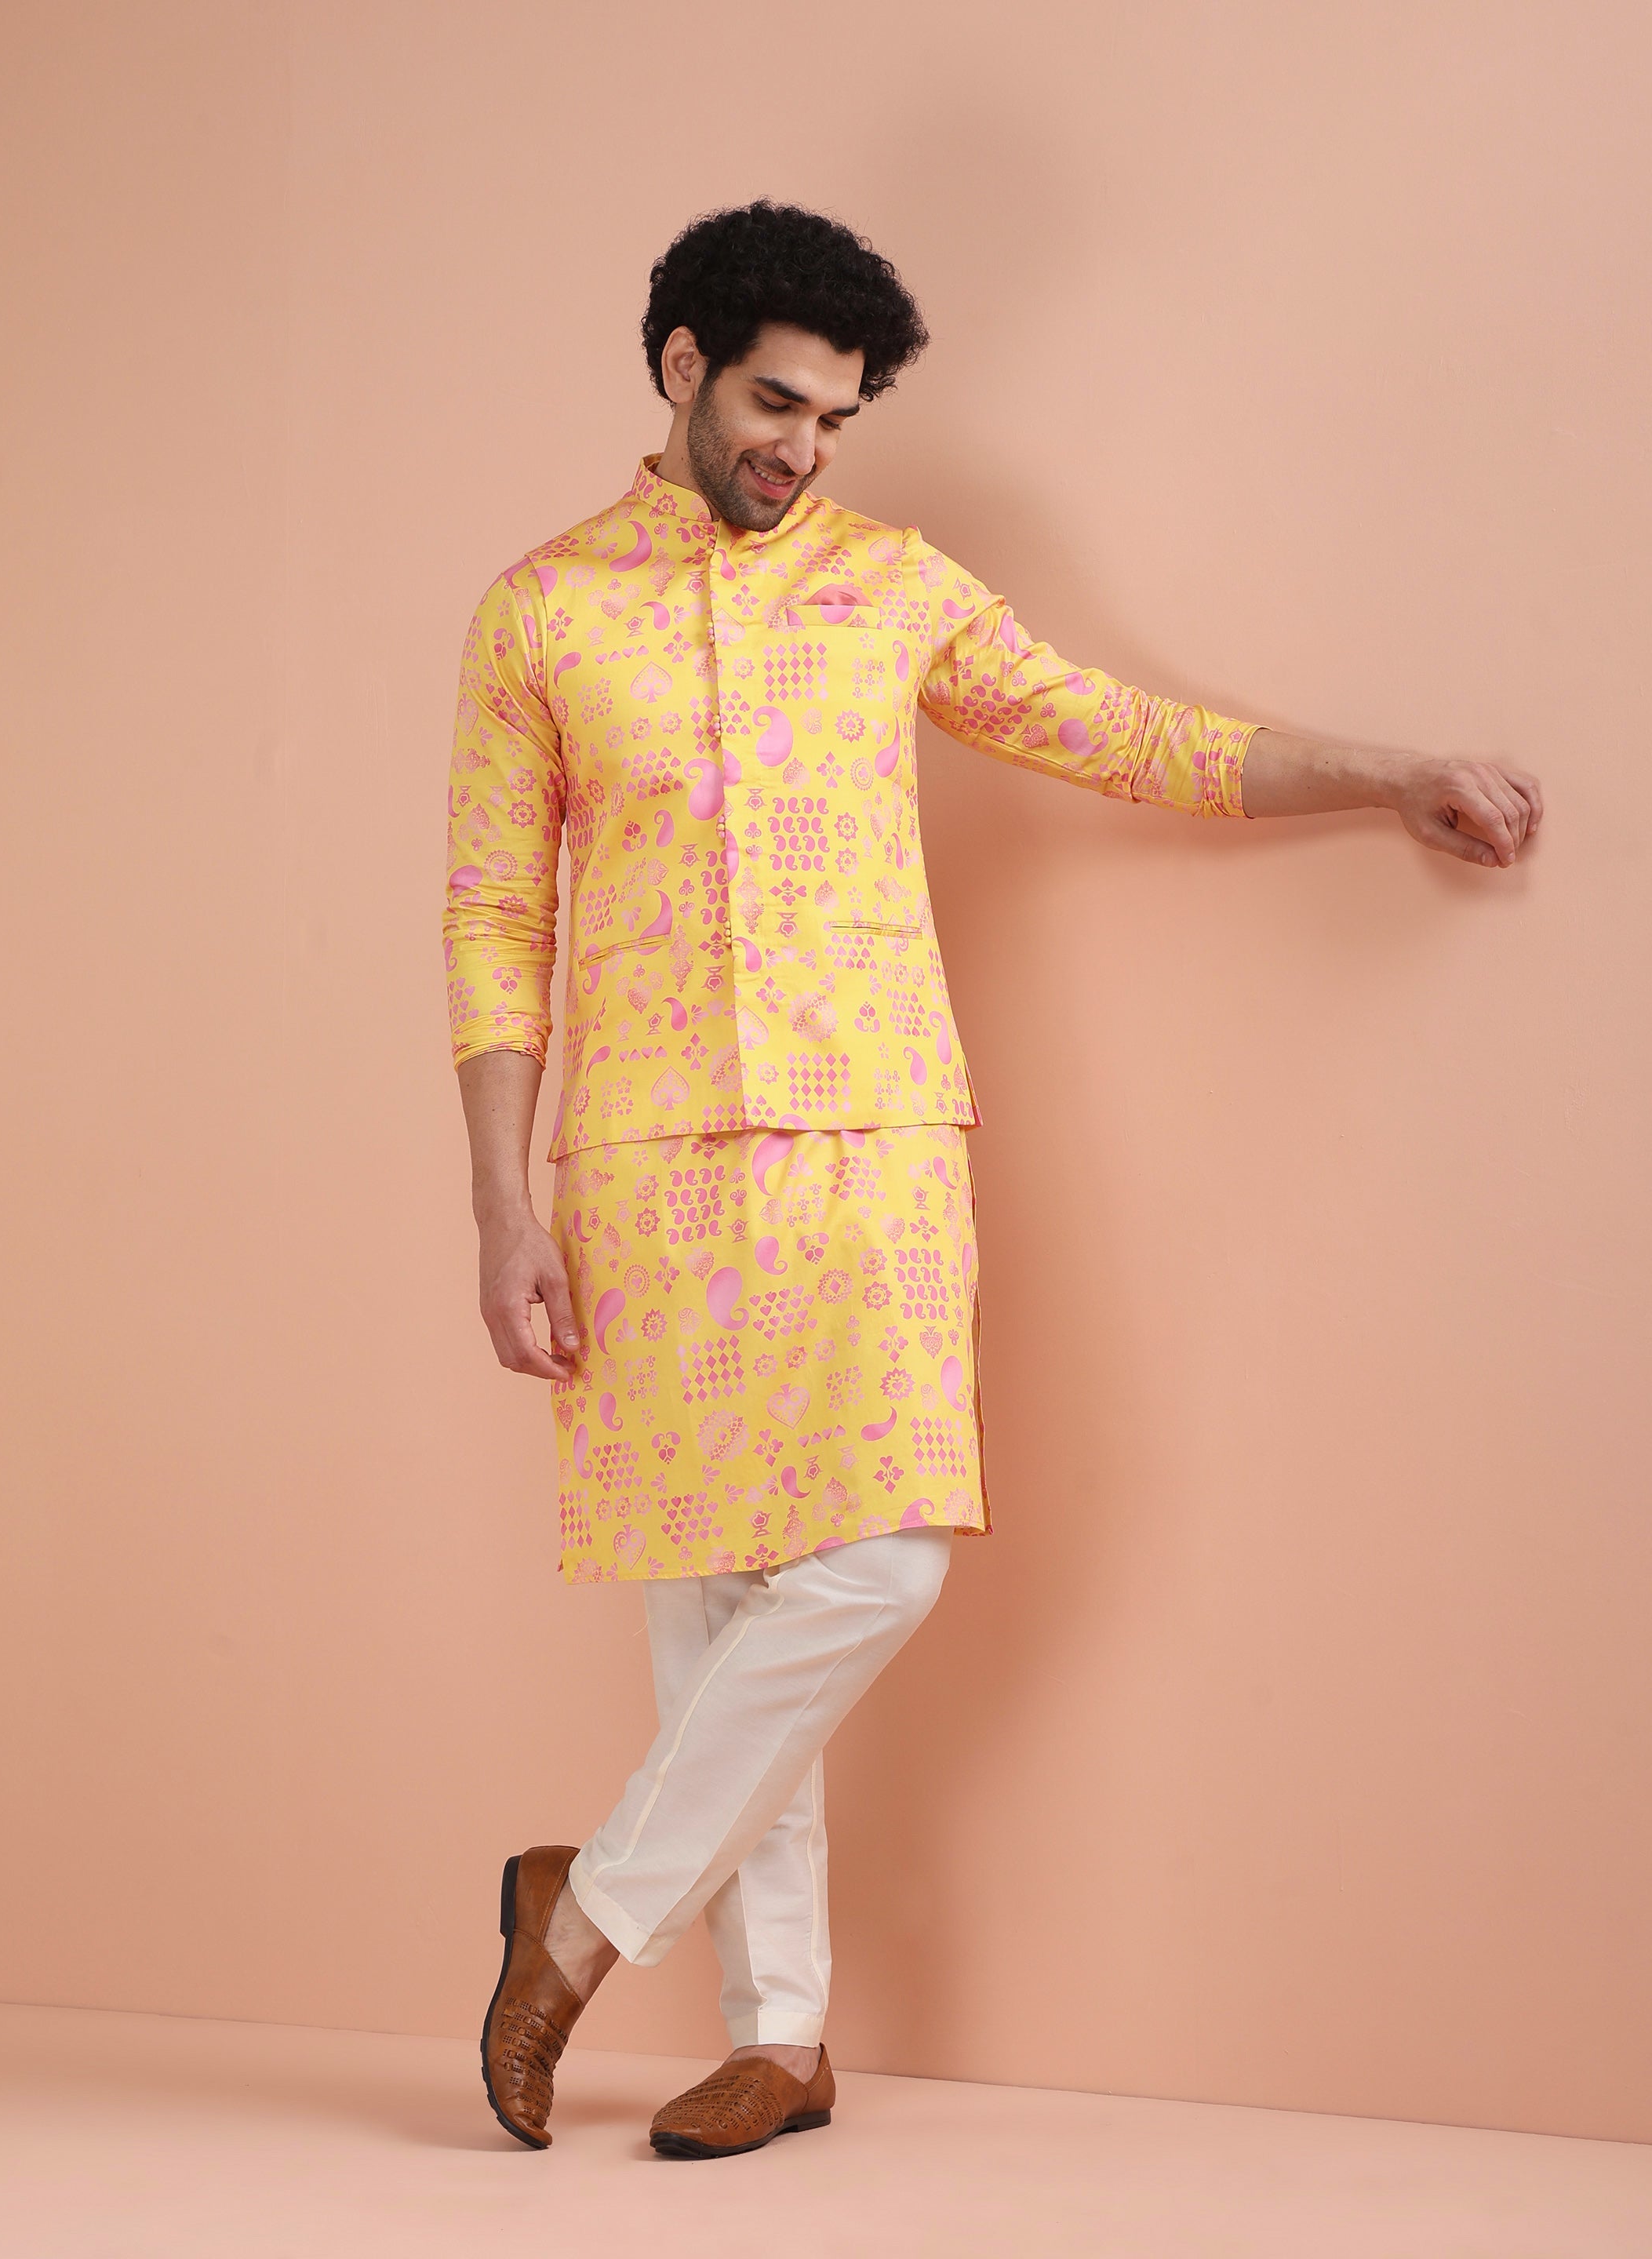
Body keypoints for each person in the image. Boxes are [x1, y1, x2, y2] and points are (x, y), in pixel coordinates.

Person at [443, 199, 1541, 2161]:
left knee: (876, 1562)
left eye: (834, 419)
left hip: (875, 1140)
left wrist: (1386, 772)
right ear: (685, 367)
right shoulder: (539, 614)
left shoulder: (892, 588)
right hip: (645, 1164)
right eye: (776, 403)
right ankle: (782, 2037)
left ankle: (580, 1915)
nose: (802, 447)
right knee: (718, 1608)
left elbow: (1121, 735)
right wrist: (500, 1204)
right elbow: (493, 915)